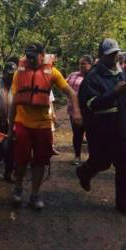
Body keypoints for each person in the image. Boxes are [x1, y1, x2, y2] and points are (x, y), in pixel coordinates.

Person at [8, 43, 82, 209]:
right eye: (28, 57)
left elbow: (71, 93)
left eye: (34, 57)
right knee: (21, 160)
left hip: (43, 125)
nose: (31, 60)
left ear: (42, 55)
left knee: (40, 161)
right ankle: (18, 188)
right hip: (22, 123)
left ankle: (35, 194)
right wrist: (9, 128)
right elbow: (14, 103)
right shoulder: (19, 73)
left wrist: (76, 111)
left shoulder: (53, 73)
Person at [77, 38, 126, 215]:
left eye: (116, 54)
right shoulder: (92, 77)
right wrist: (114, 92)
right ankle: (85, 171)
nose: (114, 58)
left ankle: (122, 204)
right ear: (101, 56)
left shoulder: (120, 73)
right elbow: (92, 104)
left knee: (123, 165)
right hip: (101, 131)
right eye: (110, 55)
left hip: (121, 128)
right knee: (103, 162)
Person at [66, 55, 94, 165]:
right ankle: (77, 156)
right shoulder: (73, 75)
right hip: (74, 112)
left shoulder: (94, 77)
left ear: (90, 65)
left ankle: (92, 158)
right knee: (77, 135)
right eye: (80, 64)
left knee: (92, 135)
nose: (81, 66)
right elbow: (64, 85)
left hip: (90, 112)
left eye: (83, 64)